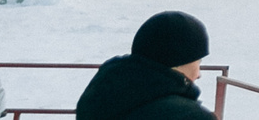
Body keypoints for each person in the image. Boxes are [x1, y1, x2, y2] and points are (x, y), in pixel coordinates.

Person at [75, 11, 216, 120]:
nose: (199, 74)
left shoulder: (99, 96)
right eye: (198, 62)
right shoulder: (189, 116)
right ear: (179, 63)